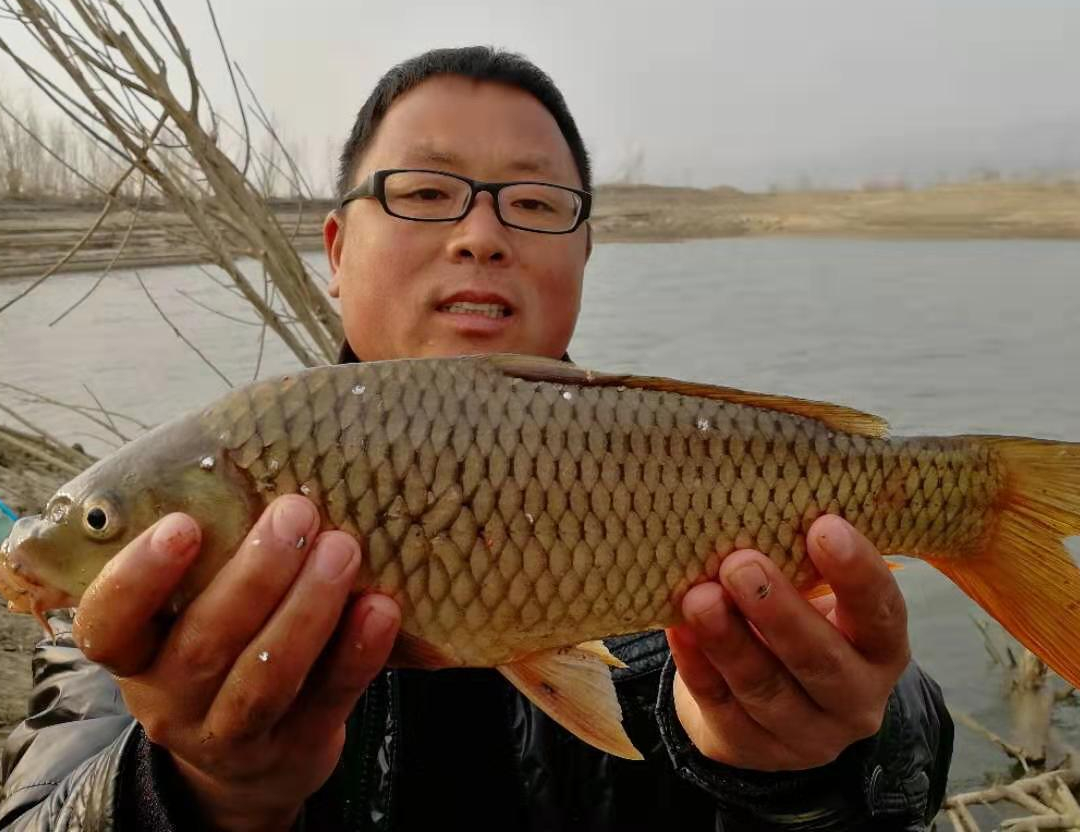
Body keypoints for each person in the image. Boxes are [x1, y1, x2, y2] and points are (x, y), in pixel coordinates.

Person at [0, 47, 952, 831]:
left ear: (584, 251)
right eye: (423, 193)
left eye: (534, 205)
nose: (481, 235)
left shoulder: (677, 486)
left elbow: (903, 757)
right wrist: (191, 796)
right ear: (335, 250)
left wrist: (809, 767)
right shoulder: (150, 580)